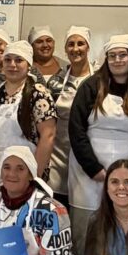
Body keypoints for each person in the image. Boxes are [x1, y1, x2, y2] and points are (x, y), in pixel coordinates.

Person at [67, 34, 128, 255]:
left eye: (122, 55)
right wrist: (93, 168)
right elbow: (76, 130)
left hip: (127, 177)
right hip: (88, 176)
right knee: (84, 233)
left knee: (123, 233)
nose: (117, 60)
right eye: (112, 56)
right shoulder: (90, 88)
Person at [0, 40, 57, 188]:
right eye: (8, 60)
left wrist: (34, 176)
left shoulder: (38, 94)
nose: (12, 65)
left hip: (24, 175)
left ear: (29, 65)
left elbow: (48, 136)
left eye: (19, 60)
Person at [47, 26, 96, 205]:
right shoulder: (55, 81)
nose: (76, 49)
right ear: (65, 49)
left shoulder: (99, 79)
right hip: (59, 156)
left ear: (88, 47)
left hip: (90, 155)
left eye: (80, 43)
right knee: (58, 206)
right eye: (71, 44)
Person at [27, 26, 69, 99]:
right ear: (31, 46)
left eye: (49, 40)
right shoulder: (26, 67)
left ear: (53, 43)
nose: (45, 45)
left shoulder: (66, 66)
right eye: (39, 42)